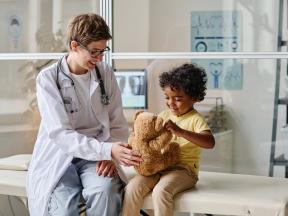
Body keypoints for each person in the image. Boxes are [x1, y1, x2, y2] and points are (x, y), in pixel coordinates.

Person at [26, 13, 142, 216]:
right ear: (74, 46)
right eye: (94, 52)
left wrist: (109, 156)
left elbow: (117, 122)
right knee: (64, 210)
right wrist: (107, 150)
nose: (99, 58)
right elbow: (61, 134)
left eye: (103, 51)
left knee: (106, 192)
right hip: (60, 155)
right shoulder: (48, 79)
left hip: (97, 156)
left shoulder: (105, 73)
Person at [122, 63, 215, 216]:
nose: (171, 103)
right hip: (159, 166)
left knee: (161, 191)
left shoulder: (195, 119)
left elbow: (209, 142)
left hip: (184, 171)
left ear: (194, 98)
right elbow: (150, 137)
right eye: (167, 97)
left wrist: (181, 132)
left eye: (178, 99)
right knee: (132, 188)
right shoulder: (164, 115)